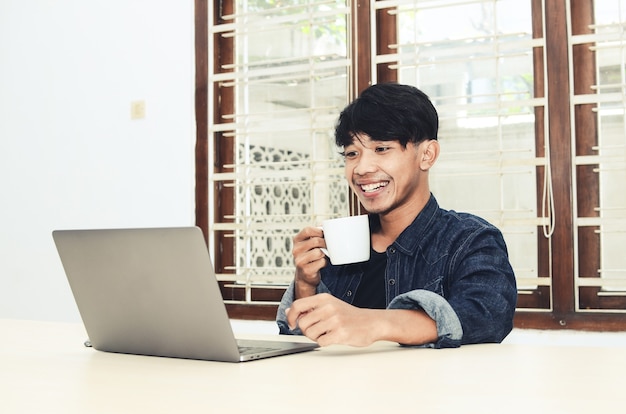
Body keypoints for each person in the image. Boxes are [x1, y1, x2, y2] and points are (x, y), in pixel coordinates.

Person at [276, 83, 517, 348]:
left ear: (427, 155)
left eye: (381, 149)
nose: (361, 168)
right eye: (352, 154)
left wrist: (373, 323)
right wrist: (306, 284)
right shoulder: (340, 245)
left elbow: (487, 316)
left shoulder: (470, 240)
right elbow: (306, 349)